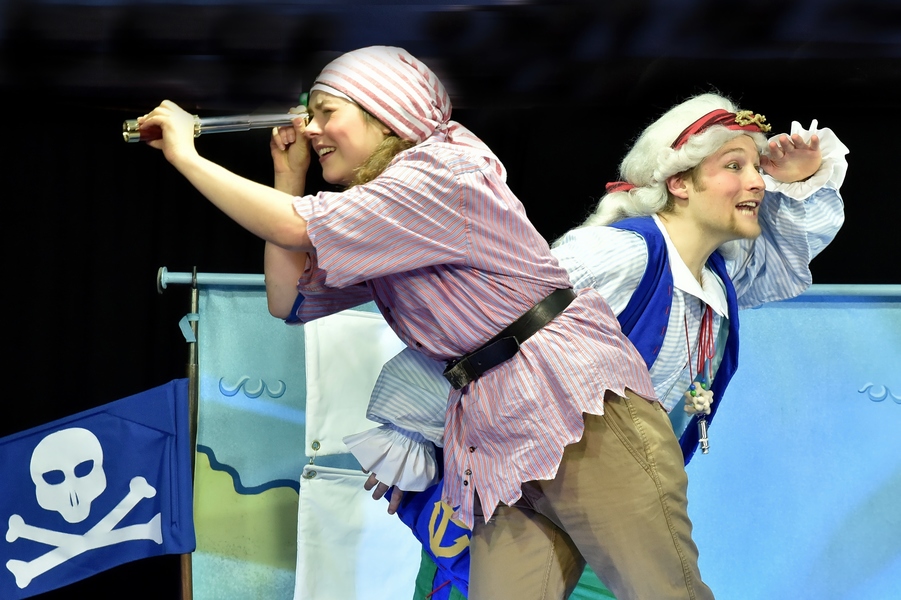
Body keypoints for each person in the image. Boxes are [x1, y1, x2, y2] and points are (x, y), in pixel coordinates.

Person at [139, 46, 717, 599]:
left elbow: (294, 227)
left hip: (575, 409)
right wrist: (287, 178)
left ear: (385, 112)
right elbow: (287, 300)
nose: (311, 129)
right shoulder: (386, 215)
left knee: (663, 593)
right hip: (496, 433)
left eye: (327, 111)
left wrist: (187, 155)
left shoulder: (442, 168)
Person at [350, 92, 847, 598]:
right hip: (550, 461)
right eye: (734, 166)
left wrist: (799, 180)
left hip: (587, 482)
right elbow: (490, 327)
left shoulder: (718, 279)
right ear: (679, 182)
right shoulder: (620, 253)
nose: (757, 181)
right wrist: (409, 431)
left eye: (756, 168)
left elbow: (785, 258)